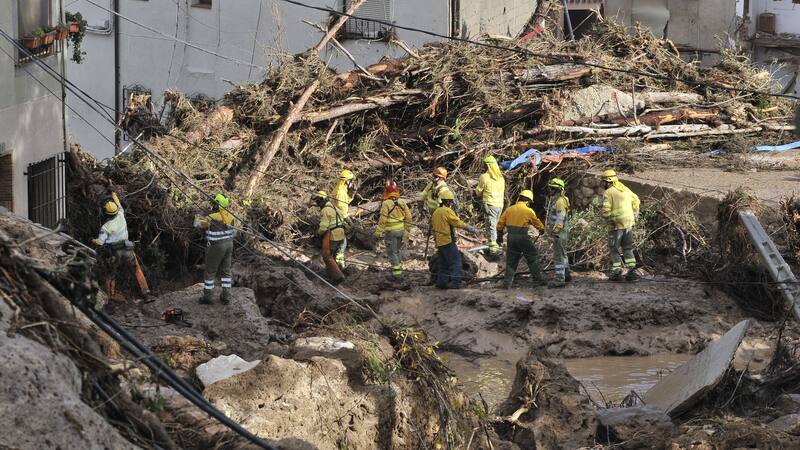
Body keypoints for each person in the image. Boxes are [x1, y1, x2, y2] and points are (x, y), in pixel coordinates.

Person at [92, 191, 150, 302]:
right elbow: (118, 204)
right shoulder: (121, 214)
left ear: (106, 214)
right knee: (137, 269)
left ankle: (110, 296)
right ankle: (146, 293)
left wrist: (93, 240)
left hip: (115, 253)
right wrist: (114, 195)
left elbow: (100, 242)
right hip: (128, 249)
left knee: (111, 274)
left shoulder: (106, 227)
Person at [496, 189, 545, 289]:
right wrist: (542, 229)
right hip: (522, 237)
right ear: (527, 201)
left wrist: (499, 236)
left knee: (511, 260)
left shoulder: (509, 209)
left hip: (511, 238)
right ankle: (537, 280)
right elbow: (536, 222)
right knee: (533, 255)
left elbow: (500, 224)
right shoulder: (528, 211)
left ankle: (507, 283)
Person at [195, 193, 238, 304]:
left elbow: (198, 225)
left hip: (216, 247)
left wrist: (197, 217)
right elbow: (235, 233)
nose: (212, 206)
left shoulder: (211, 217)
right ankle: (226, 296)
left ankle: (208, 297)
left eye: (213, 204)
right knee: (226, 272)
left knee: (210, 272)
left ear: (217, 205)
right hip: (229, 245)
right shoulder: (231, 216)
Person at [432, 190, 478, 289]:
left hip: (439, 242)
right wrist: (470, 228)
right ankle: (455, 283)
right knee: (456, 262)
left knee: (443, 264)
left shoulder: (436, 212)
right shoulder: (447, 211)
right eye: (450, 201)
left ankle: (441, 283)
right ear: (448, 201)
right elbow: (457, 222)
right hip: (447, 241)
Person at [601, 169, 641, 282]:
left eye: (603, 181)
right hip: (628, 224)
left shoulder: (608, 192)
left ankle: (616, 272)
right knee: (628, 248)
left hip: (615, 226)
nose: (602, 184)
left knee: (614, 249)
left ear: (608, 181)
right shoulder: (625, 189)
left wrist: (608, 220)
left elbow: (606, 211)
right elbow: (636, 200)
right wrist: (635, 214)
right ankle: (632, 272)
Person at [374, 181, 413, 280]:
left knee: (392, 253)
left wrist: (378, 232)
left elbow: (382, 220)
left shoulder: (386, 203)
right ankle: (399, 270)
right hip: (401, 231)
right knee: (397, 251)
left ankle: (397, 274)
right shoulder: (402, 202)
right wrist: (407, 231)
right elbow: (409, 217)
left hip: (391, 233)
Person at [475, 155, 505, 255]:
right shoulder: (501, 178)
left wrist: (476, 190)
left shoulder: (484, 177)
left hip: (489, 204)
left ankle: (493, 249)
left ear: (488, 166)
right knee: (495, 225)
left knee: (491, 225)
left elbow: (478, 192)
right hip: (500, 205)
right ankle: (496, 243)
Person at [314, 191, 346, 284]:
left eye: (318, 202)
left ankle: (338, 277)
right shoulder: (334, 208)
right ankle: (332, 273)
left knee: (327, 256)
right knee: (335, 255)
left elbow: (324, 227)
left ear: (321, 200)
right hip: (342, 234)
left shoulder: (325, 210)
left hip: (333, 235)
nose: (317, 204)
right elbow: (342, 217)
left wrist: (318, 233)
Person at [546, 178, 571, 288]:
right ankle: (567, 274)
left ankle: (560, 279)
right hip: (562, 232)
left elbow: (560, 219)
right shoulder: (560, 200)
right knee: (563, 254)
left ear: (557, 190)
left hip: (559, 233)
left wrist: (555, 232)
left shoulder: (560, 201)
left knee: (559, 257)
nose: (550, 190)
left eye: (552, 189)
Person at [331, 169, 355, 267]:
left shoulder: (341, 189)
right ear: (346, 181)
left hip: (337, 218)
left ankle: (336, 261)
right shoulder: (340, 191)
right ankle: (339, 264)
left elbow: (346, 201)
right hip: (337, 219)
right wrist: (347, 220)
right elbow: (341, 207)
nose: (352, 183)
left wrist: (352, 193)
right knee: (342, 243)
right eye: (351, 181)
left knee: (341, 242)